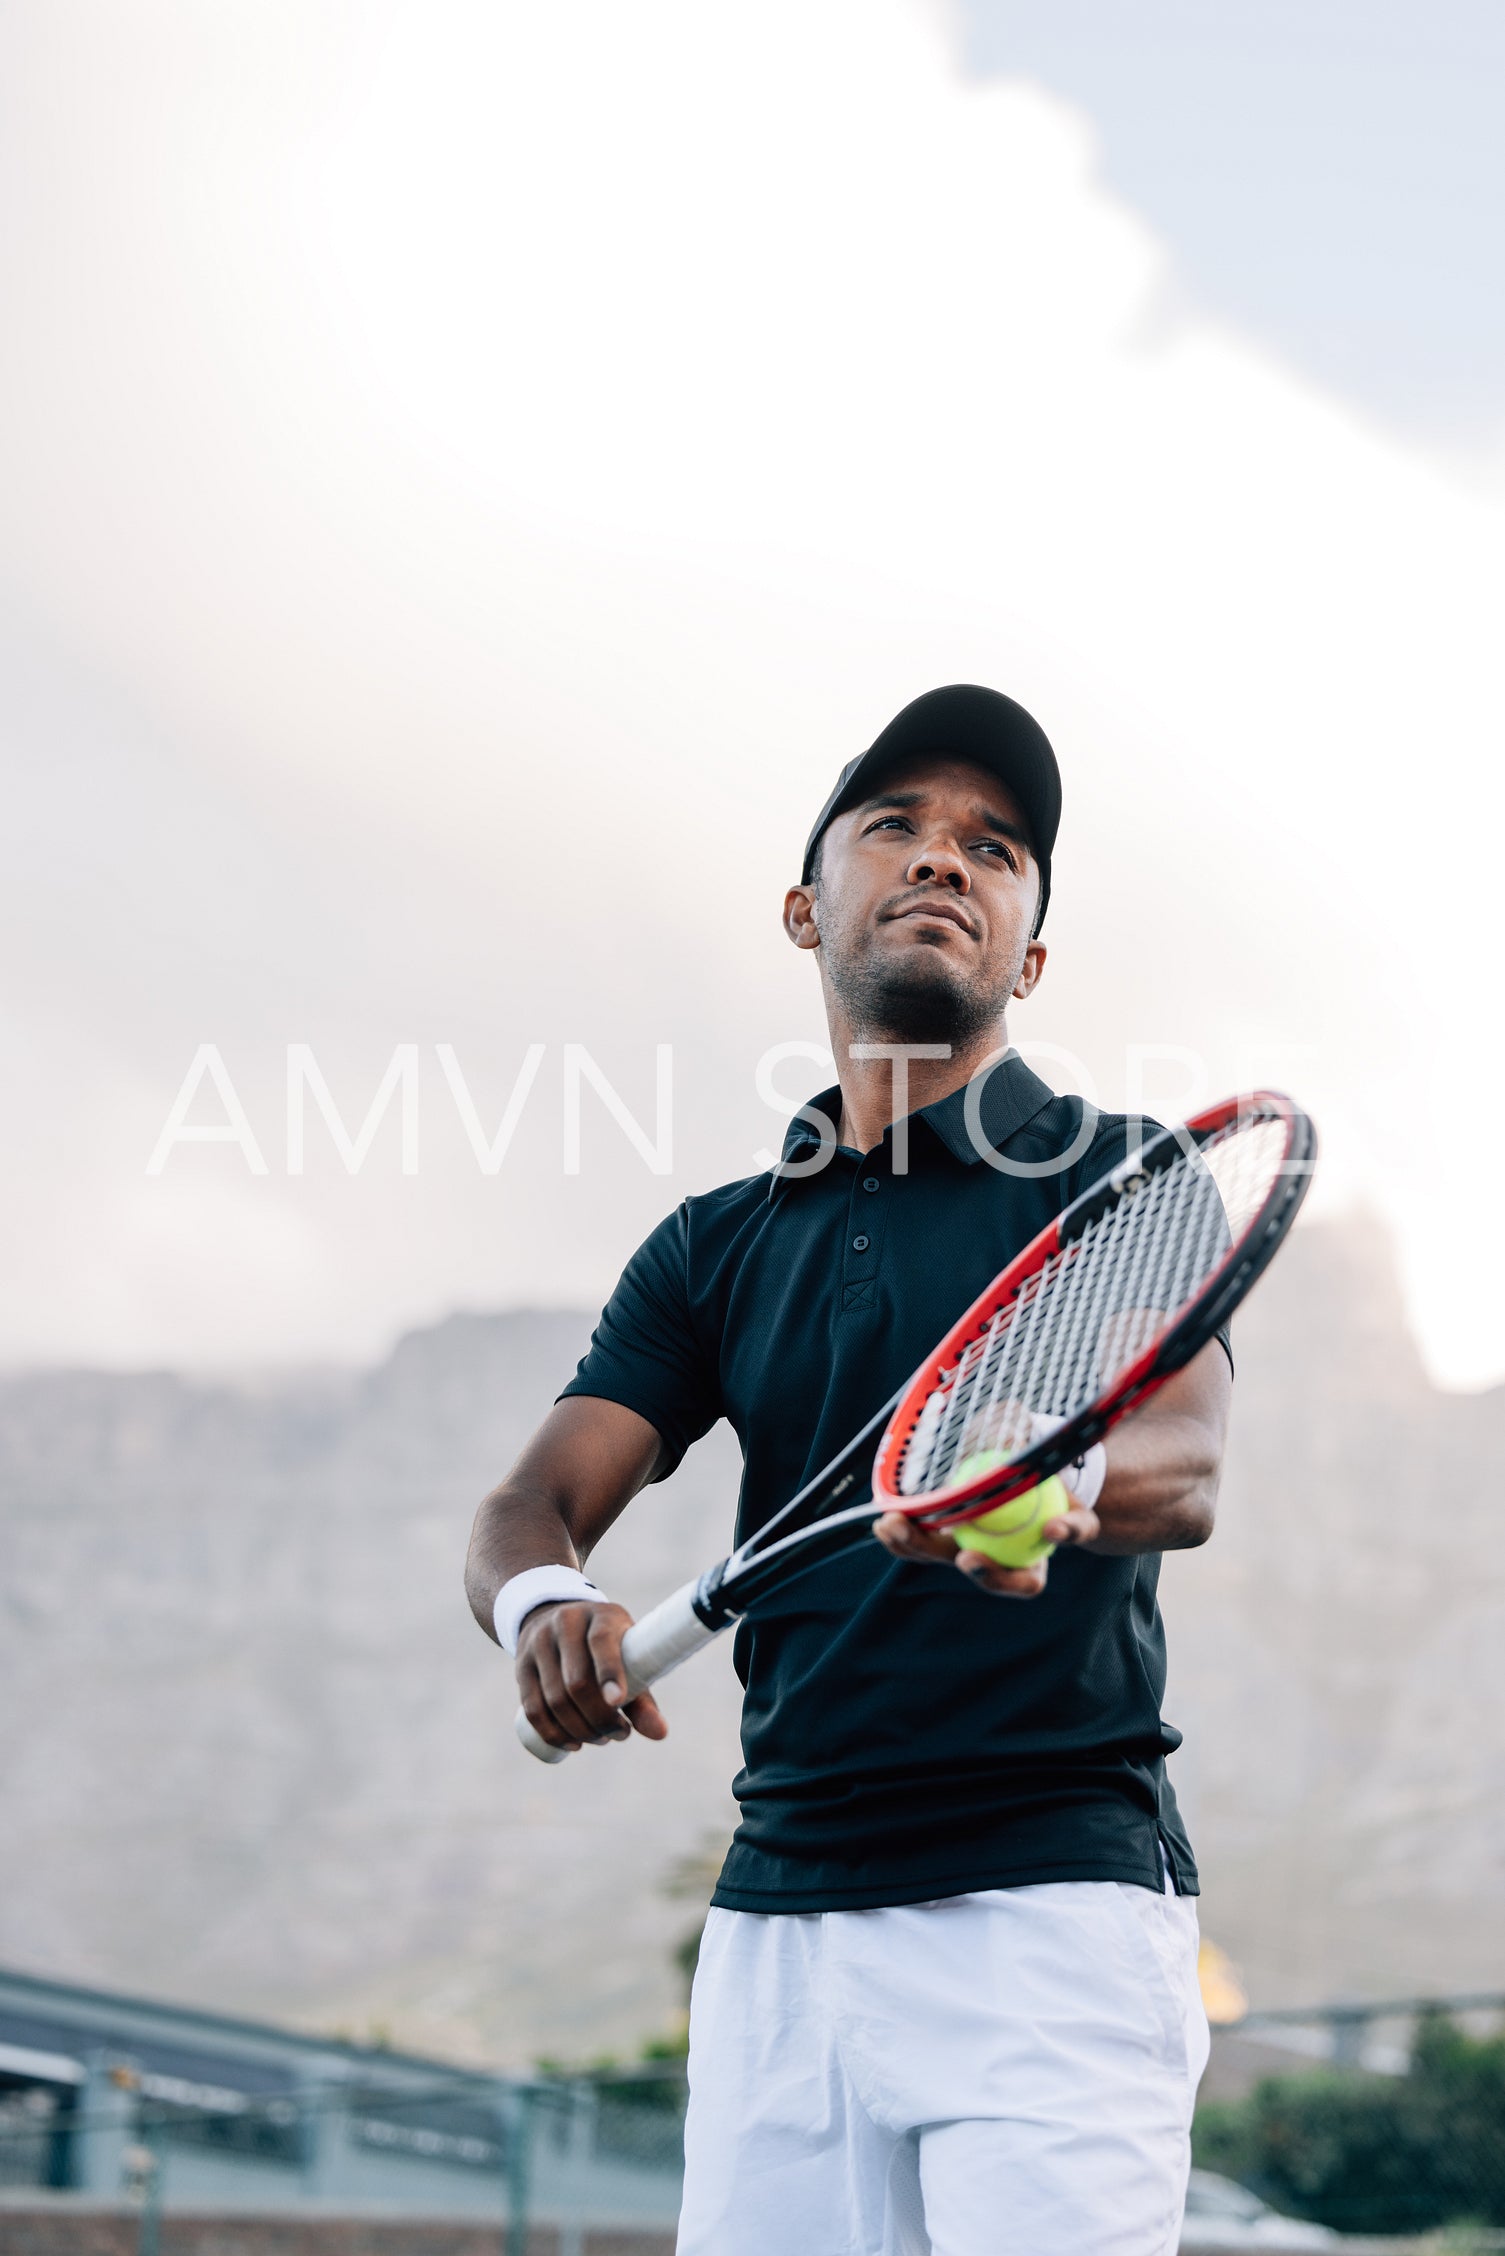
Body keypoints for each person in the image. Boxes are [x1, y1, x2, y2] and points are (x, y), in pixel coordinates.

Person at [466, 684, 1230, 2255]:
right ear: (808, 907)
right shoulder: (713, 1246)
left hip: (1052, 1914)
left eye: (994, 847)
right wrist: (546, 1602)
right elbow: (528, 1504)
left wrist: (1054, 1482)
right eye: (897, 825)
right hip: (777, 1932)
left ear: (1028, 954)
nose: (944, 859)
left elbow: (1183, 1460)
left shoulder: (1120, 1173)